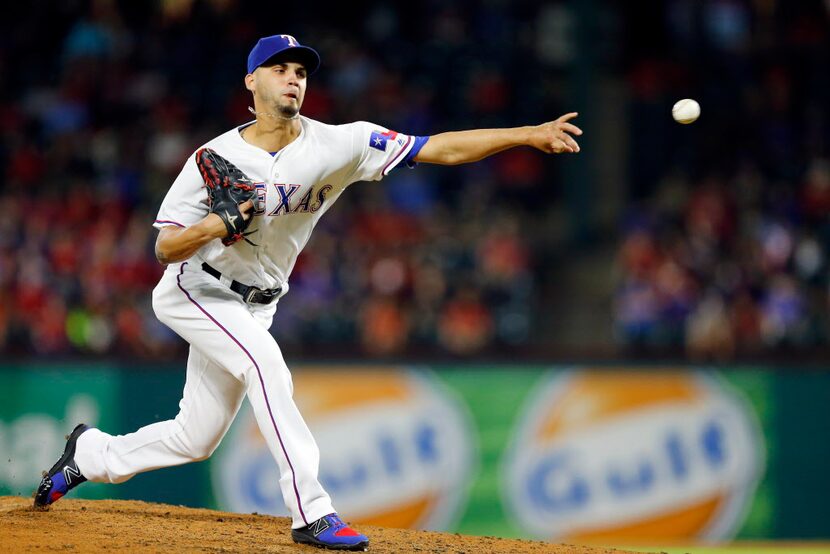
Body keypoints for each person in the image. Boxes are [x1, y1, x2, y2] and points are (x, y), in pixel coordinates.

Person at [34, 34, 582, 551]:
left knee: (194, 438)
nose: (293, 79)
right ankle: (310, 511)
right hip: (196, 288)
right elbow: (164, 250)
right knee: (266, 367)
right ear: (251, 81)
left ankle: (90, 452)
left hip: (257, 303)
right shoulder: (212, 158)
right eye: (280, 69)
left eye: (300, 72)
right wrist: (215, 225)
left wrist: (525, 134)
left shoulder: (340, 143)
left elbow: (437, 148)